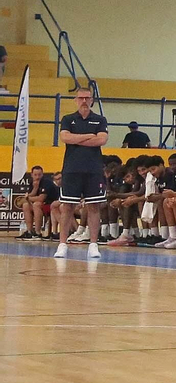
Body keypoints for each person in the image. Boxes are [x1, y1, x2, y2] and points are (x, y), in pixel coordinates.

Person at [54, 88, 107, 260]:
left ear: (92, 100)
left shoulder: (100, 119)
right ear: (76, 100)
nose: (84, 101)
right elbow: (65, 138)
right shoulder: (68, 119)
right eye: (81, 98)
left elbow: (101, 140)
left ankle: (93, 244)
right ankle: (62, 244)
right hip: (71, 169)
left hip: (93, 170)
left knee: (93, 207)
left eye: (87, 98)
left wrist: (77, 138)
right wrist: (88, 136)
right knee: (67, 207)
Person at [20, 165, 56, 240]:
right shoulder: (33, 182)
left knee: (37, 204)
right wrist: (35, 188)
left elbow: (41, 198)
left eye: (39, 175)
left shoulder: (46, 182)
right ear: (31, 174)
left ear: (42, 174)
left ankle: (37, 232)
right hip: (42, 205)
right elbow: (30, 195)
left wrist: (28, 198)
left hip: (51, 204)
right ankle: (30, 231)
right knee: (26, 205)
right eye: (35, 175)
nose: (37, 177)